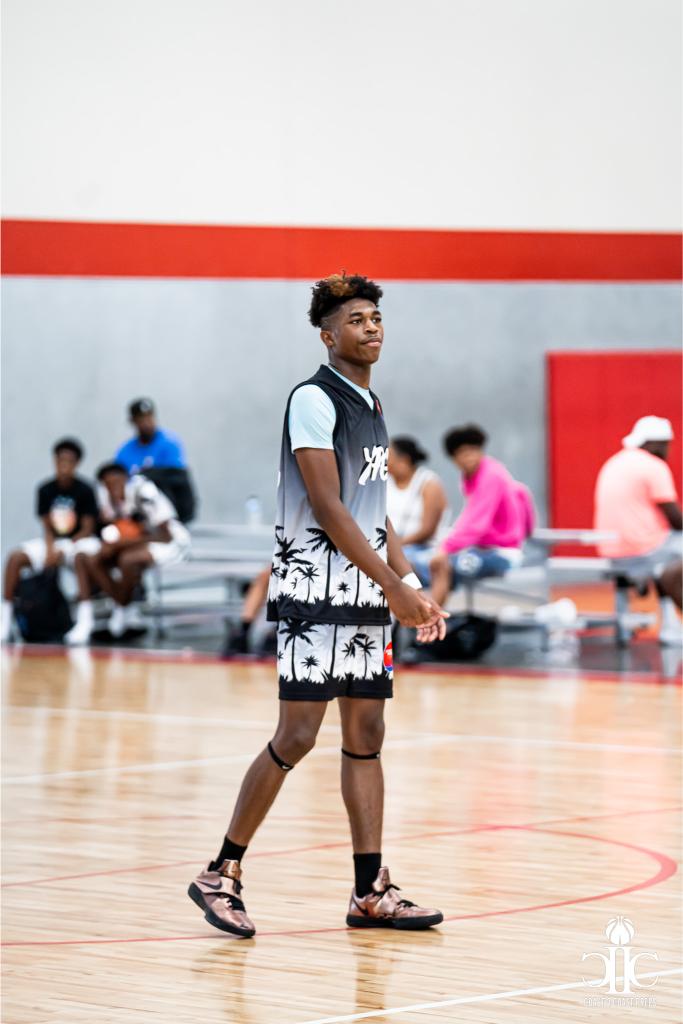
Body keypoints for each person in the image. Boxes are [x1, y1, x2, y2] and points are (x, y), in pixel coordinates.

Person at [187, 273, 448, 938]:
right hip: (314, 592)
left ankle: (369, 892)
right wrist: (393, 587)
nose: (372, 327)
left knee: (367, 737)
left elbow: (373, 509)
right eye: (356, 320)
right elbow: (328, 507)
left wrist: (408, 579)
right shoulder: (312, 398)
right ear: (328, 336)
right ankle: (221, 871)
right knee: (297, 735)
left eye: (376, 317)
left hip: (364, 593)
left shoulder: (372, 403)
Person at [65, 463, 191, 645]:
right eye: (108, 484)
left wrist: (120, 544)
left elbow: (164, 535)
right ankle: (96, 615)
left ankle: (122, 607)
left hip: (170, 543)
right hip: (133, 544)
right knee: (87, 558)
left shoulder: (144, 491)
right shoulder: (105, 500)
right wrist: (113, 543)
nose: (113, 487)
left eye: (117, 482)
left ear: (126, 479)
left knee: (128, 560)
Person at [594, 415, 682, 645]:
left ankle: (663, 616)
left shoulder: (615, 462)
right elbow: (676, 520)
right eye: (666, 444)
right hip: (643, 550)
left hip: (611, 551)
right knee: (673, 556)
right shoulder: (654, 466)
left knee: (667, 553)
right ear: (655, 443)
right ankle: (671, 625)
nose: (668, 450)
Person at [2, 438, 99, 642]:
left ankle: (85, 619)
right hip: (53, 541)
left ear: (76, 463)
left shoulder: (85, 489)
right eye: (60, 460)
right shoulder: (45, 489)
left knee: (81, 558)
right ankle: (5, 617)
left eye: (69, 461)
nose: (64, 465)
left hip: (78, 541)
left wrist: (66, 547)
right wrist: (49, 548)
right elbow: (47, 526)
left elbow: (88, 528)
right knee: (15, 558)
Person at [428, 424, 534, 606]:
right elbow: (470, 516)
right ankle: (426, 616)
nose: (468, 457)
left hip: (501, 554)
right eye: (462, 453)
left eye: (473, 450)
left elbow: (477, 525)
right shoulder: (473, 476)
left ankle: (428, 619)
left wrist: (445, 548)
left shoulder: (490, 475)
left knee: (442, 565)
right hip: (485, 550)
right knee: (431, 563)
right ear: (454, 459)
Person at [115, 398, 196, 522]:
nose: (147, 423)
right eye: (141, 419)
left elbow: (176, 477)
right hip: (137, 510)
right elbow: (120, 481)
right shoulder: (125, 451)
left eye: (150, 418)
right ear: (132, 421)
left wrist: (145, 474)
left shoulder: (170, 443)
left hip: (169, 509)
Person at [387, 435, 451, 565]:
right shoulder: (385, 481)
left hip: (422, 549)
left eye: (388, 456)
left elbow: (427, 531)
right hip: (393, 547)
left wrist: (395, 545)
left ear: (404, 460)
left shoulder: (428, 484)